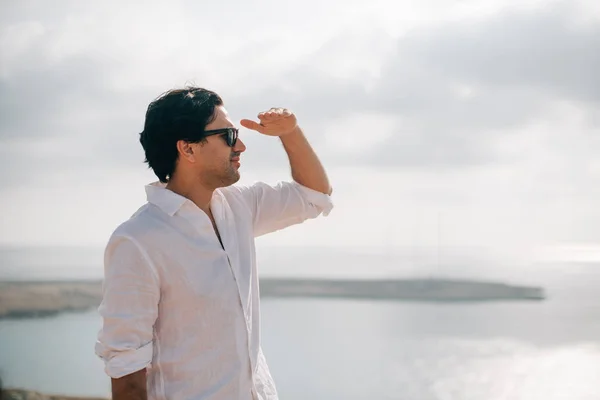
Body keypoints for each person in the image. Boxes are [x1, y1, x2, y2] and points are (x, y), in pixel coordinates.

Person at [94, 87, 333, 400]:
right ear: (188, 149)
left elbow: (316, 196)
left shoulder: (239, 207)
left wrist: (291, 133)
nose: (242, 145)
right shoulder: (138, 240)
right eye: (229, 135)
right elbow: (126, 369)